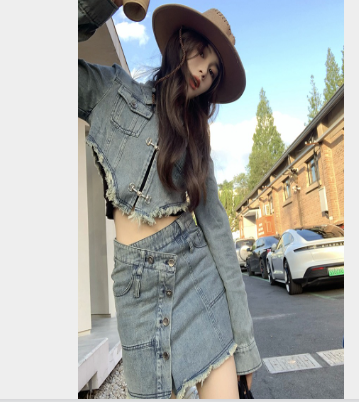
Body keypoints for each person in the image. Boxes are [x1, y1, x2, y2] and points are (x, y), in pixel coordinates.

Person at [78, 0, 262, 399]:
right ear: (180, 42)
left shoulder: (197, 141)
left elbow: (219, 236)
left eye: (214, 70)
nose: (204, 70)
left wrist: (246, 345)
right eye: (201, 52)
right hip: (135, 292)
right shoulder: (112, 90)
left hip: (196, 278)